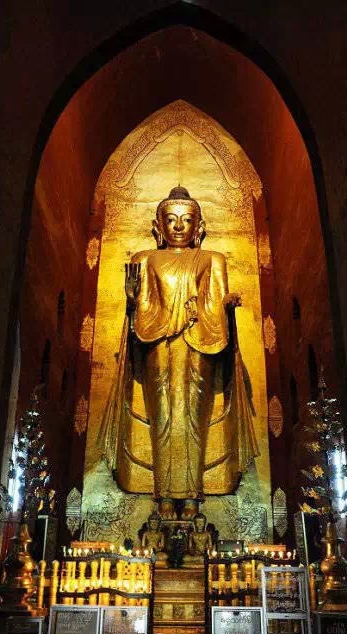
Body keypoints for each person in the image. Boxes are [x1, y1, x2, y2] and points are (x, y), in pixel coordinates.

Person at [99, 187, 259, 514]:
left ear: (199, 226)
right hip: (156, 342)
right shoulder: (144, 259)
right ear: (158, 226)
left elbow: (216, 302)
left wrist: (227, 305)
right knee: (163, 415)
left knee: (193, 417)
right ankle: (163, 495)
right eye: (170, 219)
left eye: (187, 220)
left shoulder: (213, 259)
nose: (178, 226)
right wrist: (131, 299)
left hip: (201, 340)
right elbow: (142, 312)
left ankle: (192, 495)